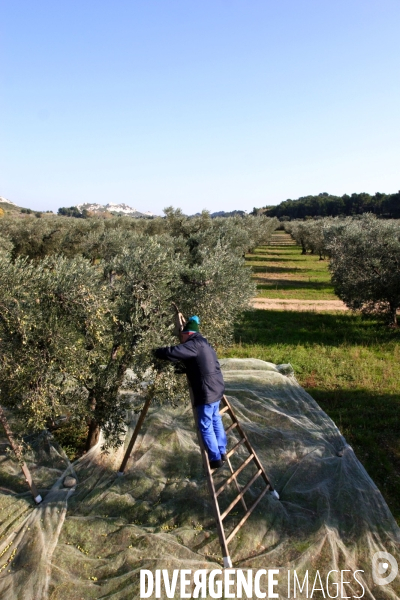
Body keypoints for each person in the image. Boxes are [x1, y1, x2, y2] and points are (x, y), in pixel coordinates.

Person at [154, 316, 227, 469]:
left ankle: (215, 459)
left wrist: (155, 352)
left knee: (205, 425)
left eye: (182, 335)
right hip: (217, 387)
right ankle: (222, 451)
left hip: (206, 391)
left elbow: (172, 352)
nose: (181, 338)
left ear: (188, 333)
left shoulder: (193, 344)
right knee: (216, 420)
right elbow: (197, 364)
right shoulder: (204, 343)